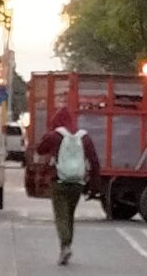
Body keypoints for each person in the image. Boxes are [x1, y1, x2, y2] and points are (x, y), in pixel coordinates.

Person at [36, 108, 101, 266]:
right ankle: (67, 245)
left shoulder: (55, 135)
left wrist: (48, 136)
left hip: (59, 182)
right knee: (69, 215)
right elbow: (94, 161)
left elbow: (40, 149)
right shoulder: (83, 137)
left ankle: (65, 246)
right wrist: (94, 185)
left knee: (61, 216)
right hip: (77, 183)